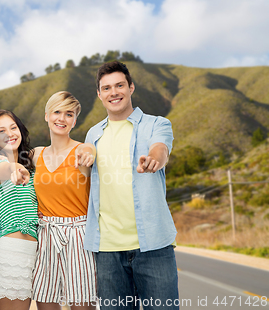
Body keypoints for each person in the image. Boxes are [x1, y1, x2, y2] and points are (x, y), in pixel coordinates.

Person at [84, 60, 178, 309]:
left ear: (131, 87)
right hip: (107, 251)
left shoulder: (157, 124)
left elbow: (161, 149)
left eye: (119, 85)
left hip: (153, 246)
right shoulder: (93, 135)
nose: (113, 92)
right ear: (99, 94)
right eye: (106, 88)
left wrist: (154, 160)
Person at [31, 91, 98, 310]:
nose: (61, 118)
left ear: (75, 121)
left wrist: (90, 153)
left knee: (81, 305)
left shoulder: (82, 150)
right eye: (57, 112)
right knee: (45, 302)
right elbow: (7, 160)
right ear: (47, 115)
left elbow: (90, 151)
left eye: (68, 114)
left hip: (78, 235)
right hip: (46, 234)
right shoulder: (35, 154)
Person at [0, 110, 39, 310]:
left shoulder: (32, 167)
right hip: (12, 256)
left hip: (36, 255)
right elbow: (8, 169)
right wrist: (16, 170)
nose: (9, 134)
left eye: (13, 127)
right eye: (1, 131)